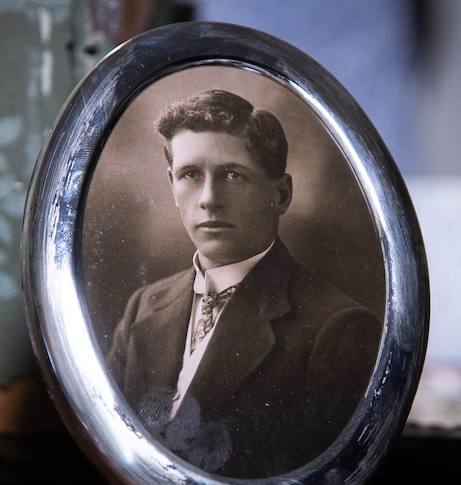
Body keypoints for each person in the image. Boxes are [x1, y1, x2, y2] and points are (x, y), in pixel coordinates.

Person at [106, 89, 382, 478]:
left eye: (233, 175)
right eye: (190, 175)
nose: (209, 199)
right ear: (171, 184)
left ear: (281, 193)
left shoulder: (337, 328)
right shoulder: (144, 305)